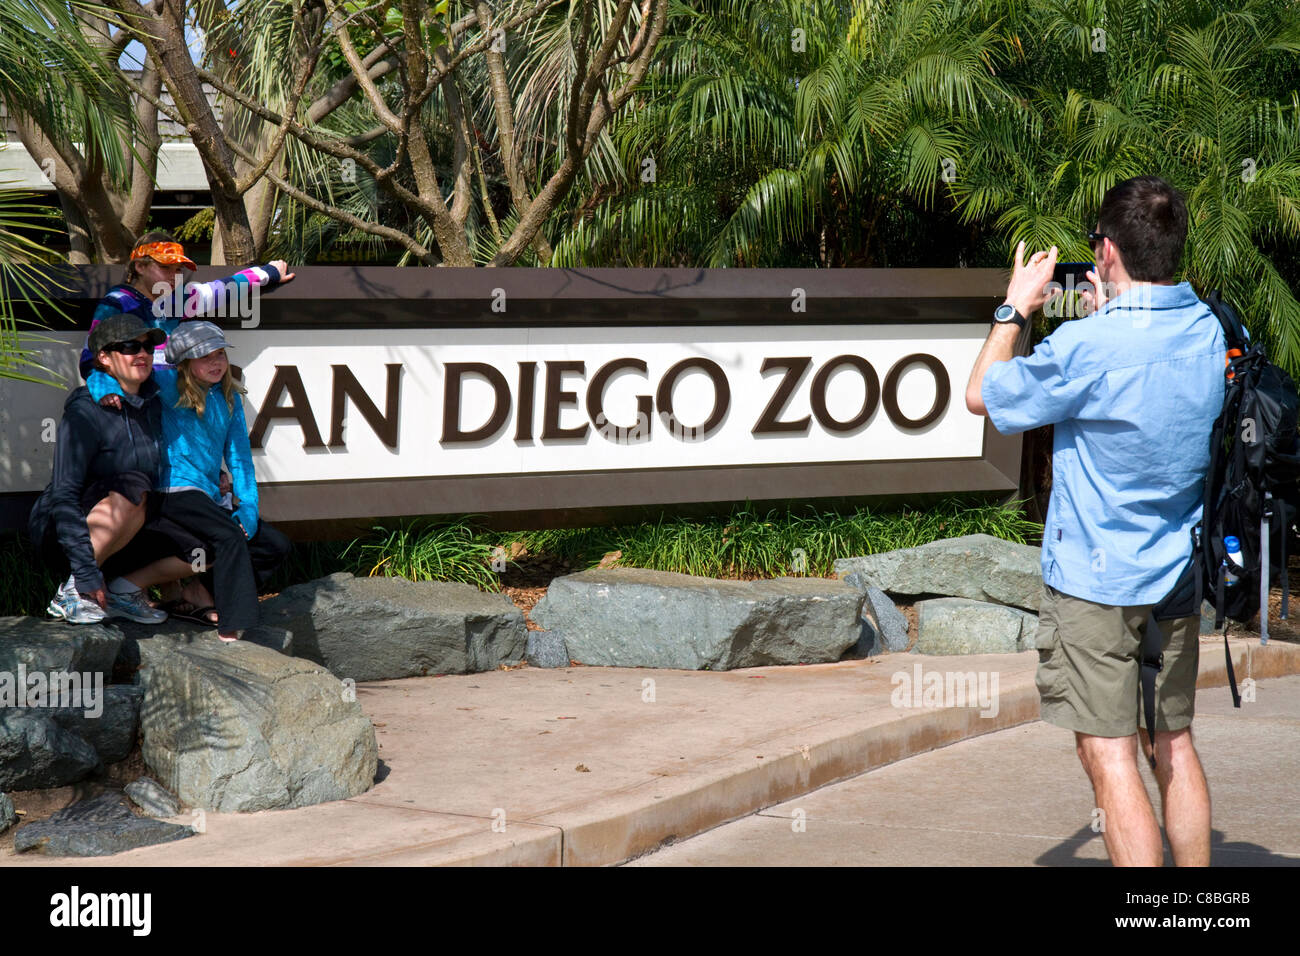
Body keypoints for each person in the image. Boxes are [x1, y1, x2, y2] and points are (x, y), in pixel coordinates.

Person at [964, 176, 1222, 867]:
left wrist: (1014, 310)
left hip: (1096, 584)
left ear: (1105, 251)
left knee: (1109, 756)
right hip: (1177, 575)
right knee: (1172, 742)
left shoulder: (1089, 346)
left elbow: (981, 394)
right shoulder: (1207, 328)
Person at [90, 322, 291, 642]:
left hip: (207, 495)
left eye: (220, 354)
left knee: (273, 544)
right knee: (227, 537)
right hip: (173, 489)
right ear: (184, 362)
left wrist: (249, 509)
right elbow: (106, 373)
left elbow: (240, 459)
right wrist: (106, 390)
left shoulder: (230, 397)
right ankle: (232, 626)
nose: (216, 363)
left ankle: (199, 592)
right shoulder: (167, 382)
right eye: (204, 357)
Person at [27, 315, 203, 624]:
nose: (143, 353)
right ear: (104, 358)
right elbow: (64, 495)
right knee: (134, 485)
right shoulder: (85, 410)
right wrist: (84, 571)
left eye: (148, 346)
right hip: (67, 534)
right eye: (129, 346)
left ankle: (124, 591)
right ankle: (73, 590)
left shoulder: (153, 402)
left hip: (133, 524)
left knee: (211, 539)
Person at [79, 230, 291, 380]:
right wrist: (105, 388)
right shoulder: (117, 302)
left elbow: (224, 288)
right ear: (140, 267)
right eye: (165, 267)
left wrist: (269, 273)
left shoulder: (181, 299)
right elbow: (91, 356)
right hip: (136, 405)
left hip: (175, 405)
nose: (174, 276)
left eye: (178, 269)